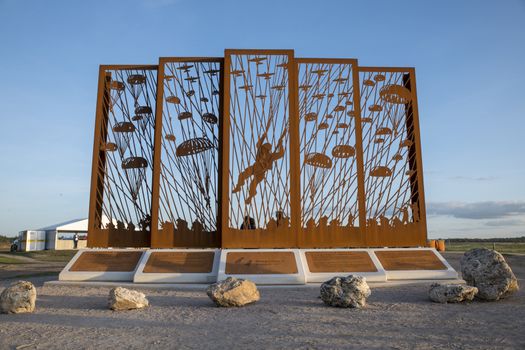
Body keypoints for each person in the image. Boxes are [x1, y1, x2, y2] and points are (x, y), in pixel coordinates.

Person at [232, 132, 285, 204]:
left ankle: (250, 198)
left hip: (261, 173)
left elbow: (281, 154)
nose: (262, 149)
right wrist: (263, 136)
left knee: (252, 185)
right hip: (254, 168)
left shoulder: (271, 156)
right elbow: (258, 144)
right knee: (242, 175)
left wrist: (280, 144)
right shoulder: (260, 152)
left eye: (264, 149)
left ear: (267, 150)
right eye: (262, 148)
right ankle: (238, 187)